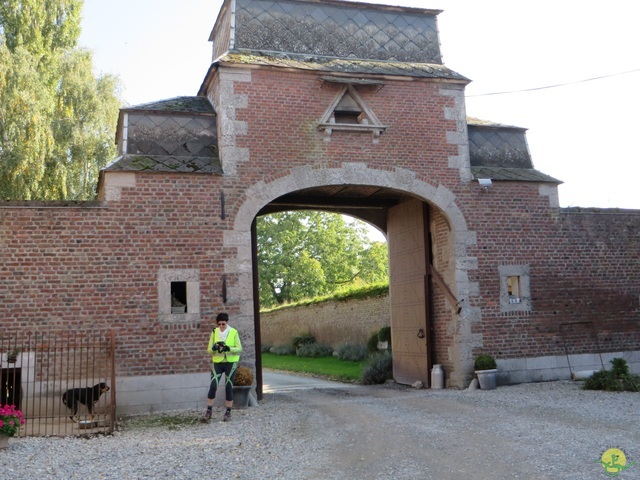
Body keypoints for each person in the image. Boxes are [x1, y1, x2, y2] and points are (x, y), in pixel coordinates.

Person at [203, 312, 242, 421]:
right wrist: (214, 348)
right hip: (218, 362)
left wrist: (228, 348)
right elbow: (209, 350)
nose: (221, 326)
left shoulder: (233, 332)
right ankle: (209, 410)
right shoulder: (214, 332)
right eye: (219, 324)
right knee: (213, 385)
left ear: (227, 322)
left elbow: (239, 349)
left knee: (229, 386)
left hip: (231, 362)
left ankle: (228, 412)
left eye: (223, 324)